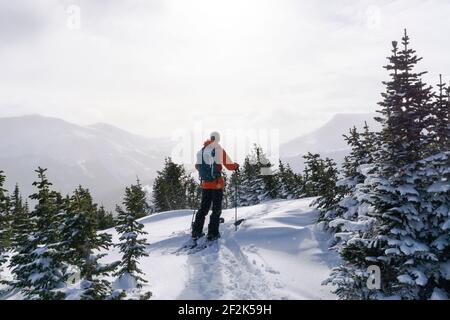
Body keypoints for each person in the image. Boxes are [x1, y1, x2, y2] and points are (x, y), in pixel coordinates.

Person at [192, 131, 239, 241]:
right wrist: (236, 166)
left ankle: (196, 231)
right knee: (216, 209)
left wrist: (206, 174)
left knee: (203, 208)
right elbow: (229, 166)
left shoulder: (202, 151)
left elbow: (197, 166)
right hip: (217, 184)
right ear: (217, 139)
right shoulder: (218, 150)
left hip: (205, 184)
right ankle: (212, 233)